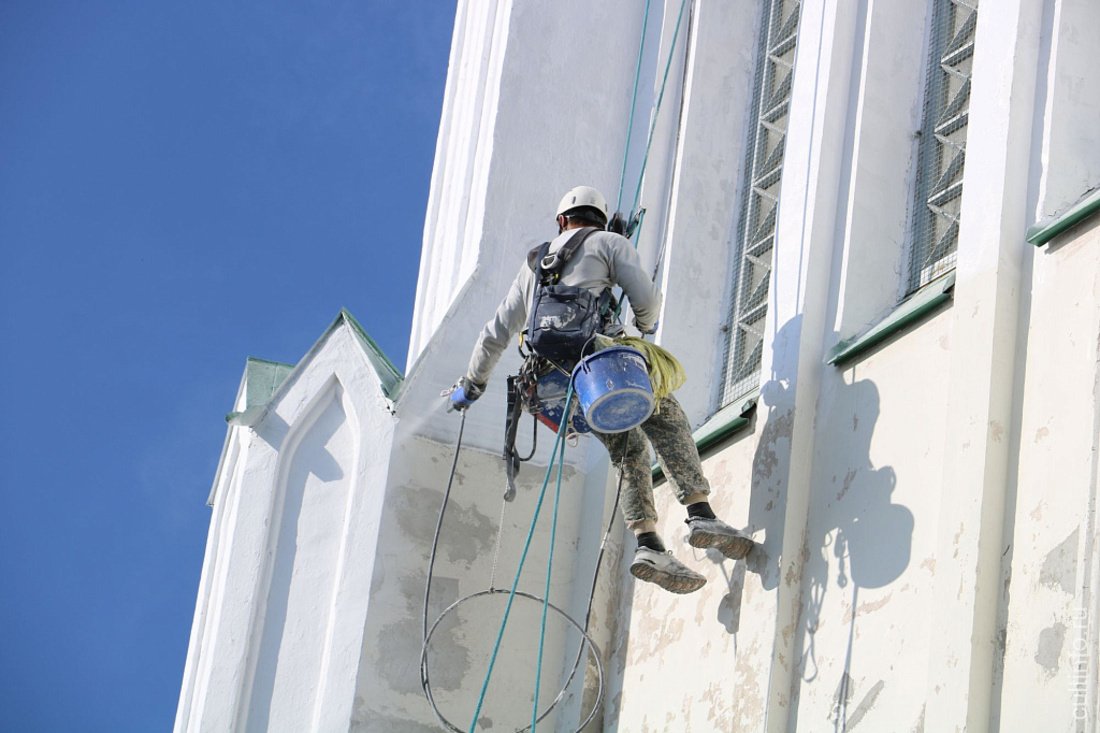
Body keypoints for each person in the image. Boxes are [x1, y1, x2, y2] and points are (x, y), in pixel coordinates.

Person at [450, 185, 752, 594]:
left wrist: (471, 385)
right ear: (601, 219)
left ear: (561, 221)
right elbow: (645, 303)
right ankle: (699, 512)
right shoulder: (610, 243)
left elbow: (496, 332)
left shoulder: (534, 265)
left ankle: (648, 543)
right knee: (666, 417)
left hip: (558, 380)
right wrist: (643, 321)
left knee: (626, 451)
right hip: (603, 365)